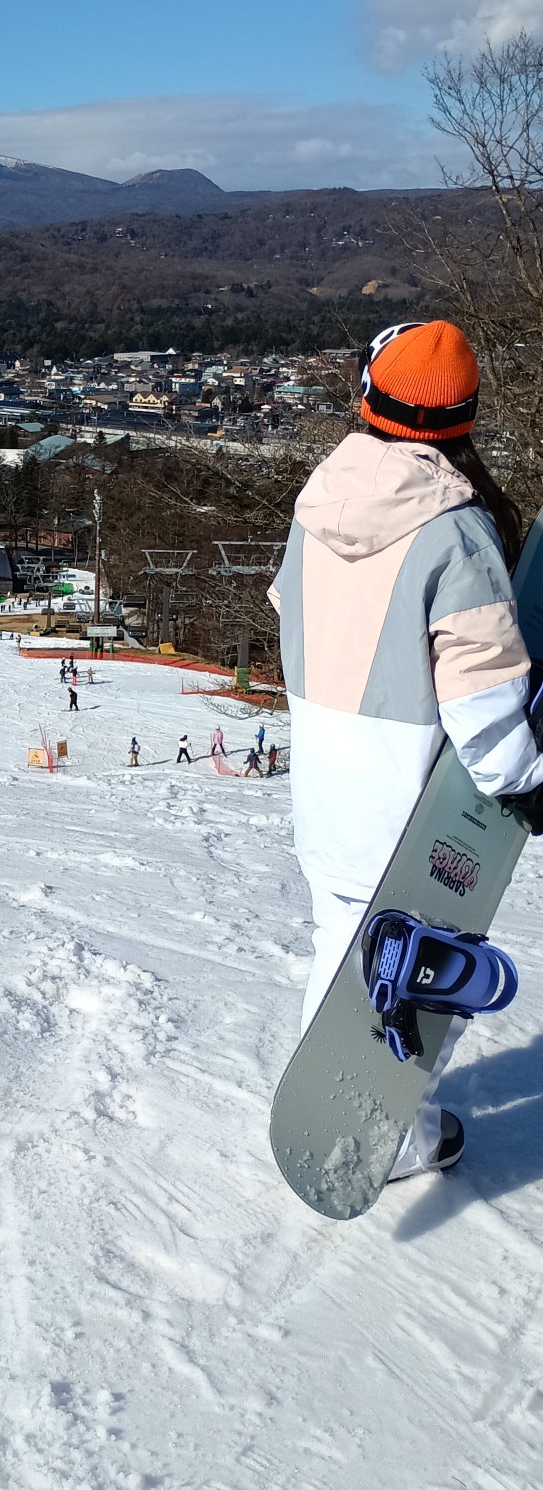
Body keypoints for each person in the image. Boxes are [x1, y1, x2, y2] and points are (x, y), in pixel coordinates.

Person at [270, 318, 543, 1180]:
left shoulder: (318, 507)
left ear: (366, 395)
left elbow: (294, 616)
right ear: (462, 417)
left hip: (324, 781)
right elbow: (488, 717)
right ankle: (393, 1136)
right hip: (410, 812)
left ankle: (345, 1114)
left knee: (339, 944)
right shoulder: (455, 538)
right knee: (408, 980)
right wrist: (525, 778)